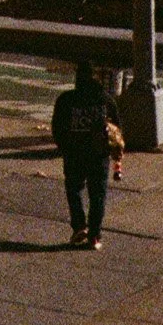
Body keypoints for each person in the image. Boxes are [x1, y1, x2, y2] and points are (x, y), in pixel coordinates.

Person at [51, 58, 123, 247]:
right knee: (97, 195)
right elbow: (116, 128)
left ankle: (79, 226)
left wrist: (64, 147)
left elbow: (57, 127)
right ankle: (95, 234)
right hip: (98, 155)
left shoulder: (66, 100)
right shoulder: (106, 101)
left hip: (74, 153)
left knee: (74, 190)